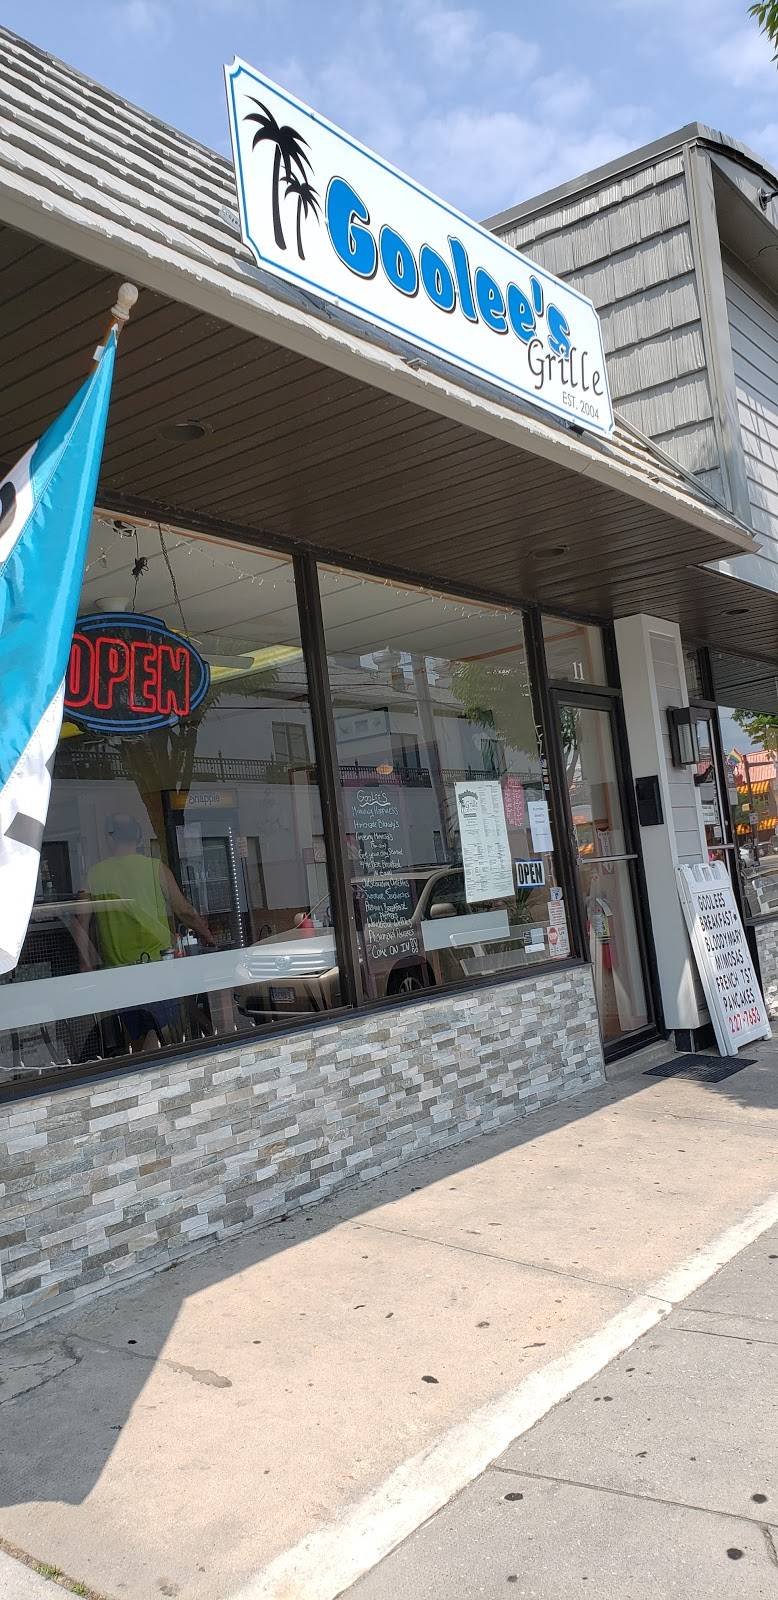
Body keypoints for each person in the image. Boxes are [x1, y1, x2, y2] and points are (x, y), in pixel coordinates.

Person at [73, 813, 216, 1050]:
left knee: (137, 1040)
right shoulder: (155, 868)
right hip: (159, 968)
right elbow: (184, 910)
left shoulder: (94, 875)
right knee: (168, 1034)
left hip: (119, 974)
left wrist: (85, 965)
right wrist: (207, 935)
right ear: (139, 837)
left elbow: (80, 923)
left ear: (110, 839)